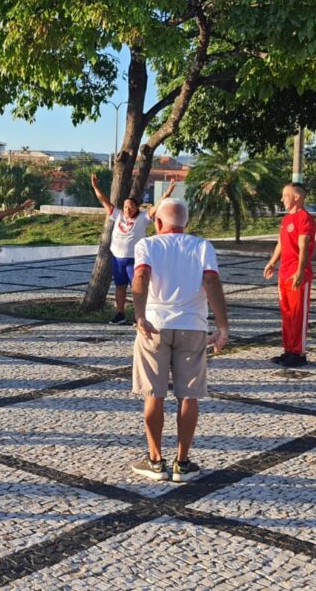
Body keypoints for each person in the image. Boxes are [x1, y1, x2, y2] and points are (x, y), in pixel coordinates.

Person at [131, 198, 230, 483]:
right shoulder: (202, 246)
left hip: (155, 326)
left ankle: (155, 460)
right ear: (186, 223)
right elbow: (211, 282)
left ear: (158, 223)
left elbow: (141, 276)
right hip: (193, 326)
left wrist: (139, 315)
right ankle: (182, 463)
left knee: (154, 394)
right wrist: (222, 327)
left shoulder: (147, 245)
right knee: (189, 395)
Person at [90, 175, 176, 325]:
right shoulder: (117, 215)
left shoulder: (143, 217)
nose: (127, 209)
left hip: (134, 260)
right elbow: (104, 201)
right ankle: (120, 314)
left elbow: (157, 206)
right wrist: (96, 187)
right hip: (117, 259)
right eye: (124, 206)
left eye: (130, 206)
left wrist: (167, 193)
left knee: (138, 290)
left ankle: (141, 316)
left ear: (137, 207)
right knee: (120, 287)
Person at [263, 183, 316, 368]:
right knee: (287, 314)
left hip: (297, 275)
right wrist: (272, 263)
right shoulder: (286, 219)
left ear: (296, 197)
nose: (281, 198)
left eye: (285, 195)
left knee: (297, 315)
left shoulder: (305, 219)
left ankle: (299, 353)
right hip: (283, 273)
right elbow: (281, 243)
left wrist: (300, 272)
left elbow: (304, 247)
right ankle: (288, 350)